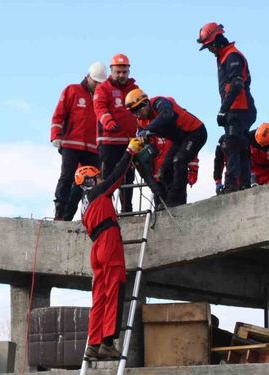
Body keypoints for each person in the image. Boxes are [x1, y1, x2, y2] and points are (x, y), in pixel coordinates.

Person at [75, 138, 144, 361]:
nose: (100, 179)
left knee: (100, 298)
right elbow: (116, 176)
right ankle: (108, 343)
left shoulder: (83, 205)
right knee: (115, 290)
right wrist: (130, 151)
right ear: (89, 180)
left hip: (97, 248)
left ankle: (92, 346)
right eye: (96, 177)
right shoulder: (97, 193)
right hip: (108, 241)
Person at [198, 22, 256, 193]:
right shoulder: (225, 56)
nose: (209, 50)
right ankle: (244, 183)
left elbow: (236, 84)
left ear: (216, 40)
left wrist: (224, 109)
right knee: (241, 146)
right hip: (240, 108)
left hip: (239, 108)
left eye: (209, 46)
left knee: (232, 144)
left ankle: (232, 186)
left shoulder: (231, 56)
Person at [125, 88, 207, 207]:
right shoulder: (141, 122)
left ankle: (175, 201)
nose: (137, 114)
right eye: (133, 112)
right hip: (180, 139)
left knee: (179, 160)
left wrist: (149, 130)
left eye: (138, 110)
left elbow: (168, 114)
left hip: (195, 132)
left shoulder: (159, 102)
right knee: (164, 170)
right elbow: (143, 138)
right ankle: (169, 201)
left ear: (145, 103)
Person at [50, 62, 107, 220]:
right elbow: (59, 114)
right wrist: (56, 135)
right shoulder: (72, 90)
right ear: (88, 77)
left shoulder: (102, 96)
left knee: (89, 182)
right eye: (95, 82)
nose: (97, 85)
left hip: (92, 148)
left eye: (100, 83)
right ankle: (59, 212)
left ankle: (78, 214)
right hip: (71, 143)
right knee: (67, 177)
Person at [93, 54, 139, 212]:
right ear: (111, 71)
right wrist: (108, 121)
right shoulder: (103, 88)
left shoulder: (134, 89)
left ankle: (127, 211)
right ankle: (106, 210)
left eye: (124, 72)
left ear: (128, 71)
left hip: (129, 142)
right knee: (108, 179)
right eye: (118, 72)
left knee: (128, 178)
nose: (121, 75)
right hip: (108, 142)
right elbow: (99, 107)